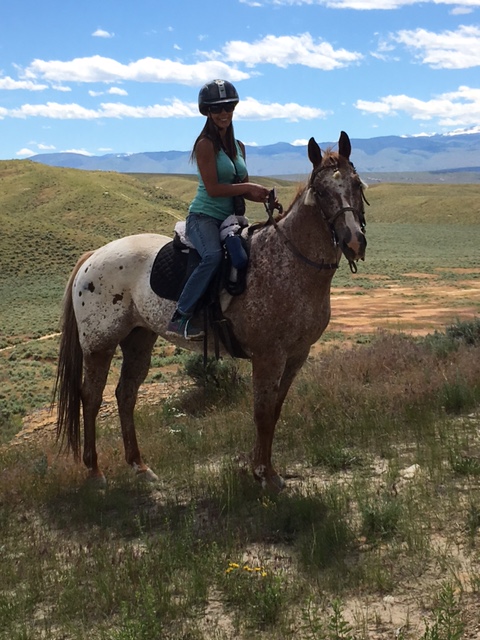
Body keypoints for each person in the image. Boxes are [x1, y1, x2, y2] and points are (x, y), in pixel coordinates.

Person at [166, 79, 271, 340]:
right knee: (212, 256)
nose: (223, 113)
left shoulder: (239, 147)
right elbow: (213, 188)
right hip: (204, 217)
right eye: (216, 109)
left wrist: (264, 196)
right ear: (208, 113)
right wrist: (248, 185)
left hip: (231, 218)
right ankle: (181, 316)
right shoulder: (205, 145)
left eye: (227, 108)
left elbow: (239, 187)